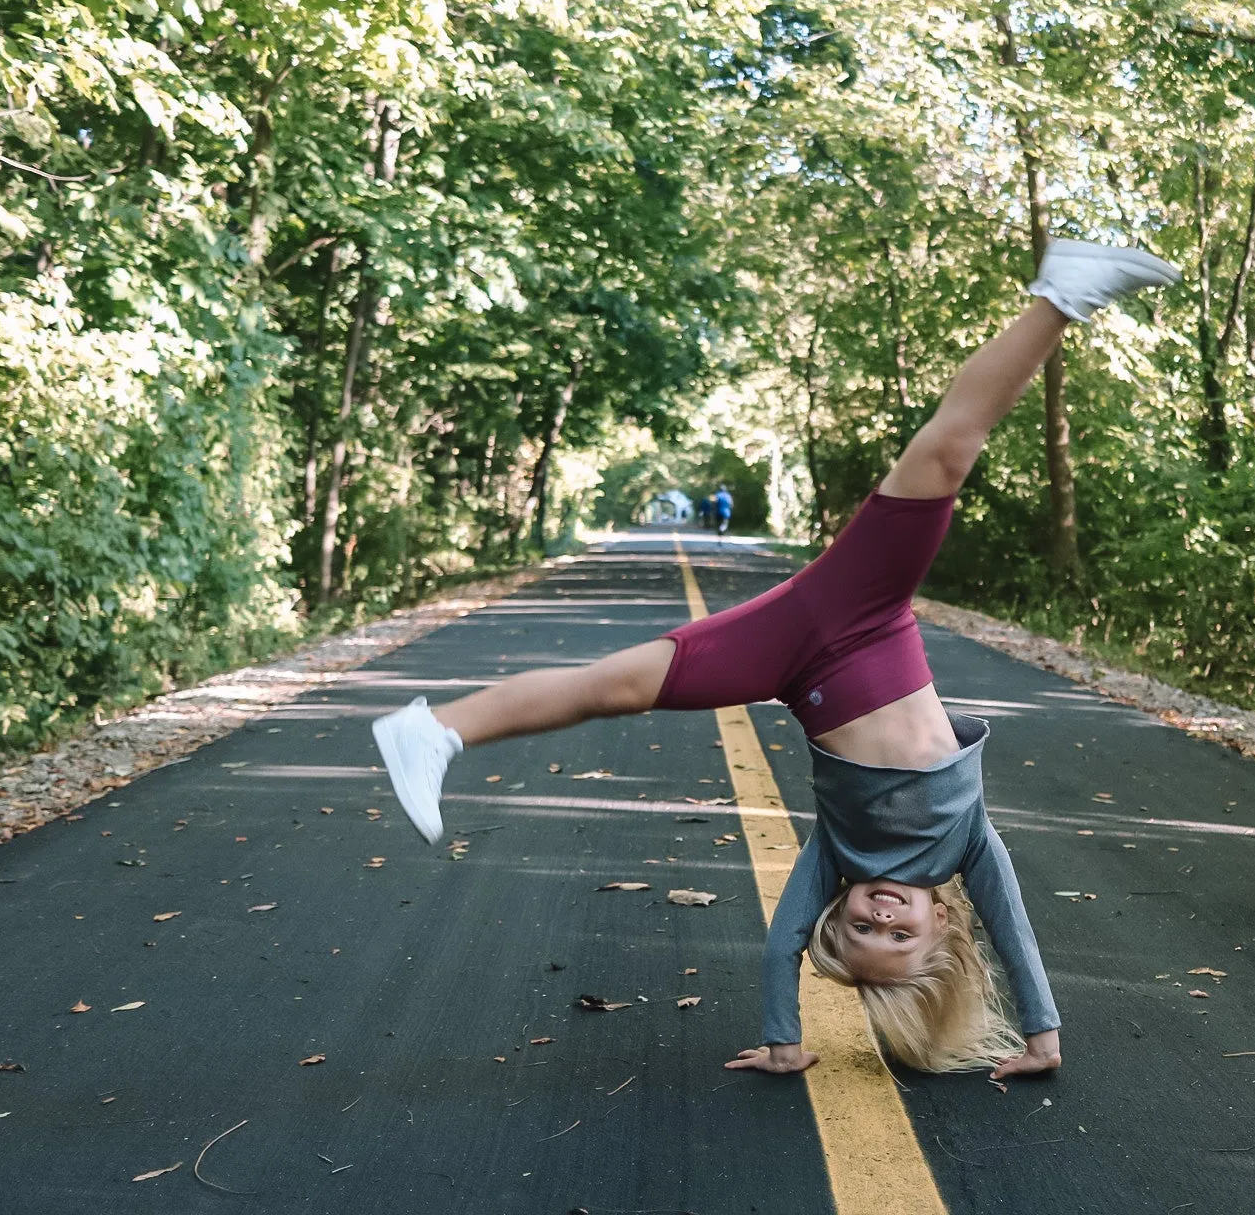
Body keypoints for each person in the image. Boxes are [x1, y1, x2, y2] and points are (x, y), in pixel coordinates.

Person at [373, 239, 1179, 1077]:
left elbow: (783, 942)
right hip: (863, 618)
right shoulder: (967, 850)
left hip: (796, 656)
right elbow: (1013, 931)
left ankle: (430, 731)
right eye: (897, 933)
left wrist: (787, 1043)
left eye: (862, 928)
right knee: (948, 452)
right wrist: (1042, 1036)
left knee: (610, 688)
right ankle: (1064, 295)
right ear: (944, 925)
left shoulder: (837, 859)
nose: (878, 914)